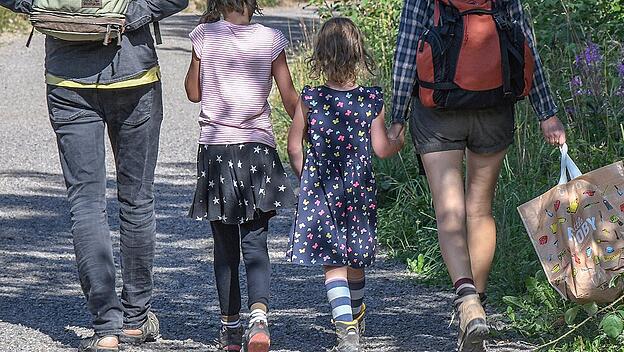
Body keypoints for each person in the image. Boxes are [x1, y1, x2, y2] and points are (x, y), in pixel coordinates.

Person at [0, 0, 188, 350]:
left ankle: (106, 328)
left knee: (85, 204)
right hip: (134, 72)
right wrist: (127, 18)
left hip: (66, 77)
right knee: (137, 200)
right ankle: (135, 319)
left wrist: (40, 8)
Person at [390, 0, 567, 351]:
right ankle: (479, 306)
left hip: (438, 107)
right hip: (494, 105)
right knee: (480, 209)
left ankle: (467, 301)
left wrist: (397, 115)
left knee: (449, 211)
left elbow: (407, 49)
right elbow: (525, 43)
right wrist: (546, 113)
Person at [184, 1, 298, 351]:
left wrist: (201, 46)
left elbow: (193, 93)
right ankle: (259, 320)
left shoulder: (205, 35)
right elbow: (290, 98)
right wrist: (307, 128)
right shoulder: (271, 39)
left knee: (224, 246)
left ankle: (230, 330)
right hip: (257, 151)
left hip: (217, 151)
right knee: (255, 241)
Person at [286, 17, 404, 352]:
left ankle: (346, 329)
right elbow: (382, 149)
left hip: (322, 190)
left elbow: (295, 146)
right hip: (359, 190)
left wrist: (305, 176)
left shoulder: (310, 99)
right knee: (356, 259)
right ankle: (355, 316)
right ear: (358, 56)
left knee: (333, 263)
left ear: (320, 57)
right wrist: (398, 140)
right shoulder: (370, 99)